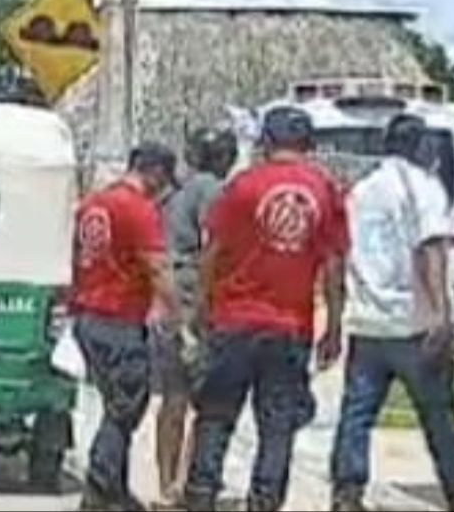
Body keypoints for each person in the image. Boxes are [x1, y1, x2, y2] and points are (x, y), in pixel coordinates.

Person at [330, 115, 454, 512]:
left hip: (367, 320)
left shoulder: (362, 191)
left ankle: (346, 493)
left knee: (357, 413)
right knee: (438, 413)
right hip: (411, 321)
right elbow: (429, 250)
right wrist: (440, 313)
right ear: (420, 147)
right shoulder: (423, 187)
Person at [183, 106, 349, 512]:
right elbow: (333, 265)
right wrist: (334, 325)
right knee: (277, 427)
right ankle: (265, 501)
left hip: (234, 321)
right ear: (308, 144)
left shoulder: (242, 186)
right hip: (290, 326)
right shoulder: (325, 190)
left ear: (265, 143)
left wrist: (202, 306)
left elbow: (212, 252)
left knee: (217, 416)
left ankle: (201, 495)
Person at [73, 143, 186, 511]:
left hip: (88, 316)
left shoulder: (94, 204)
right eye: (164, 180)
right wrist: (174, 315)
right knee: (126, 408)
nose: (164, 188)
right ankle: (100, 487)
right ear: (153, 172)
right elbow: (158, 268)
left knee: (114, 404)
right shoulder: (139, 210)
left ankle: (116, 489)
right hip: (119, 318)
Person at [151, 128, 238, 509]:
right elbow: (213, 247)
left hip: (167, 297)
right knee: (206, 400)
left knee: (173, 397)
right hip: (195, 299)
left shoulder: (176, 193)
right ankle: (191, 483)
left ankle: (167, 482)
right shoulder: (211, 190)